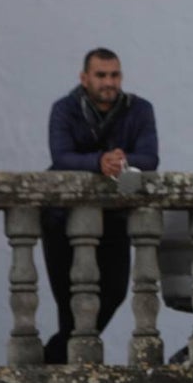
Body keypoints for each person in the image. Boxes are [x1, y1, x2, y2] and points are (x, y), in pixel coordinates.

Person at [42, 48, 159, 363]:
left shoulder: (139, 109)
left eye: (114, 75)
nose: (109, 82)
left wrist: (122, 160)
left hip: (115, 216)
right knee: (67, 300)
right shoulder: (64, 109)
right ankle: (64, 365)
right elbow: (61, 157)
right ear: (84, 78)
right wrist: (99, 161)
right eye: (101, 75)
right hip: (60, 218)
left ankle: (52, 359)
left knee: (115, 291)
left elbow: (150, 158)